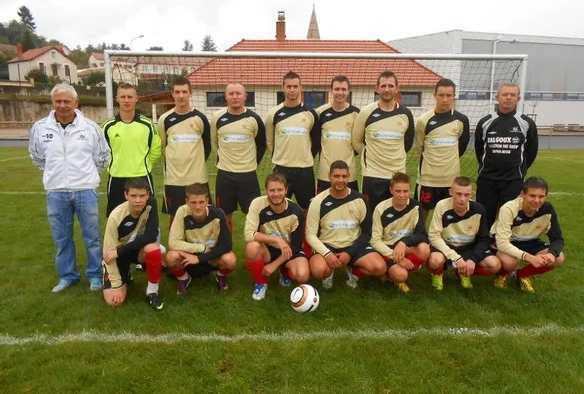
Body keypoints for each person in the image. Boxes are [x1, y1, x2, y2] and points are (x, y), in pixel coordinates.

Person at [29, 83, 111, 293]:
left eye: (67, 101)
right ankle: (68, 276)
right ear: (53, 103)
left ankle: (94, 276)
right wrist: (54, 174)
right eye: (59, 101)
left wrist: (87, 176)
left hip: (86, 190)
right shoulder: (40, 128)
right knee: (62, 238)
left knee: (92, 237)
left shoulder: (91, 128)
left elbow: (103, 157)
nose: (63, 105)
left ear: (76, 102)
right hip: (56, 192)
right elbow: (37, 156)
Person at [306, 160, 386, 289]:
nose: (340, 180)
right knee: (318, 270)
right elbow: (310, 235)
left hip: (353, 246)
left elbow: (367, 233)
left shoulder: (359, 200)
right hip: (328, 246)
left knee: (379, 268)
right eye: (336, 176)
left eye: (344, 176)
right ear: (329, 177)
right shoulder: (317, 201)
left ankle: (352, 270)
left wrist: (349, 253)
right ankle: (328, 274)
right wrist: (327, 254)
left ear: (349, 177)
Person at [475, 82, 538, 228]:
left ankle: (504, 247)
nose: (508, 98)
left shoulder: (526, 123)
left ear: (518, 98)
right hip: (487, 180)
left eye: (512, 95)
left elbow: (531, 151)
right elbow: (480, 149)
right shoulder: (485, 122)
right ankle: (484, 247)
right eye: (505, 94)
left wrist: (520, 171)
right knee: (484, 218)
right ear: (497, 97)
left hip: (513, 181)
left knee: (508, 220)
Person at [352, 70, 415, 213]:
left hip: (397, 175)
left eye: (391, 86)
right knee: (371, 215)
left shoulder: (405, 113)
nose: (387, 89)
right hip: (372, 175)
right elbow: (356, 141)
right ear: (377, 88)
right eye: (384, 86)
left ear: (397, 88)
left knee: (396, 215)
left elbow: (408, 143)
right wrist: (371, 154)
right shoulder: (367, 112)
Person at [243, 172, 310, 301]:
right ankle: (261, 283)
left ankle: (284, 271)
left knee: (303, 276)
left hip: (289, 249)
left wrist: (274, 265)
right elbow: (248, 234)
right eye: (272, 190)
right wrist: (276, 239)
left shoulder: (296, 211)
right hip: (268, 248)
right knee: (252, 247)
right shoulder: (257, 204)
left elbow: (296, 246)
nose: (276, 194)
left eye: (280, 190)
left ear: (286, 190)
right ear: (266, 191)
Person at [492, 177, 564, 293]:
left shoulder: (548, 209)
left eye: (541, 196)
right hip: (509, 241)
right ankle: (501, 275)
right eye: (532, 195)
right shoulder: (509, 208)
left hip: (531, 241)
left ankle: (522, 275)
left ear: (546, 196)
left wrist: (551, 254)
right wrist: (529, 257)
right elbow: (502, 243)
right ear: (522, 194)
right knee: (510, 261)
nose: (537, 200)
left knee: (558, 257)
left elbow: (557, 239)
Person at [427, 177, 501, 290]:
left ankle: (463, 272)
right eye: (458, 194)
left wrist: (473, 260)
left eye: (466, 195)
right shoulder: (442, 205)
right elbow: (433, 236)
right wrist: (457, 258)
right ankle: (438, 272)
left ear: (472, 194)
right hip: (447, 246)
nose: (462, 199)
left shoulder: (478, 209)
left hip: (469, 247)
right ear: (450, 192)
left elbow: (484, 238)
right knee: (434, 261)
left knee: (494, 265)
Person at [210, 82, 266, 232]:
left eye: (238, 93)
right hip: (224, 175)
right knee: (223, 214)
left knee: (254, 215)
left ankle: (256, 251)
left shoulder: (254, 118)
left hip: (248, 175)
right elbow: (215, 143)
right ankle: (225, 248)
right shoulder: (217, 117)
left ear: (245, 96)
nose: (235, 97)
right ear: (226, 96)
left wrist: (252, 163)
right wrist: (224, 160)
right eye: (231, 94)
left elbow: (262, 145)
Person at [101, 178, 164, 310]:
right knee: (114, 302)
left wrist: (120, 251)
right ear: (126, 195)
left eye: (142, 196)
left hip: (128, 251)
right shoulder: (115, 217)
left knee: (153, 249)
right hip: (117, 257)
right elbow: (109, 253)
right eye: (133, 196)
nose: (138, 200)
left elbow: (152, 234)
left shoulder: (151, 204)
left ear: (148, 195)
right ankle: (124, 276)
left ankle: (152, 291)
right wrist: (117, 285)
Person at [101, 83, 161, 217]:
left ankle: (148, 239)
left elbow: (155, 149)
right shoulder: (108, 126)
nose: (126, 100)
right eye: (123, 97)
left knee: (147, 217)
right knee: (116, 218)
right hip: (116, 178)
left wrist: (143, 164)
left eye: (130, 97)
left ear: (136, 98)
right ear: (117, 98)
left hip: (141, 176)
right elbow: (101, 151)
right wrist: (114, 164)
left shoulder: (147, 124)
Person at [158, 77, 211, 227]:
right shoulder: (164, 119)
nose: (181, 95)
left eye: (184, 92)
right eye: (177, 92)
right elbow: (163, 145)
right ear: (172, 94)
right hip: (174, 179)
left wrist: (196, 164)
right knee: (175, 219)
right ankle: (176, 248)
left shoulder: (200, 118)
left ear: (190, 93)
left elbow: (207, 146)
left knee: (201, 216)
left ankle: (202, 248)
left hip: (197, 178)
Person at [165, 183, 237, 294]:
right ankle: (183, 278)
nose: (198, 206)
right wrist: (201, 248)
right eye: (193, 202)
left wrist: (200, 258)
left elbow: (226, 245)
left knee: (230, 260)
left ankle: (221, 276)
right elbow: (173, 243)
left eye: (201, 202)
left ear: (207, 201)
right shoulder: (182, 212)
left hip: (212, 256)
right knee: (171, 257)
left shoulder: (218, 214)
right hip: (191, 254)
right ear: (187, 201)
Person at [414, 78, 470, 220]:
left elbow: (461, 147)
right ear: (435, 95)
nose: (445, 99)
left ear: (454, 96)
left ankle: (446, 241)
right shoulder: (423, 120)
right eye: (441, 95)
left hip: (450, 179)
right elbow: (419, 147)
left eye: (448, 95)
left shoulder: (462, 120)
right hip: (428, 179)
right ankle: (421, 239)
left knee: (450, 214)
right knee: (422, 213)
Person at [370, 172, 430, 293]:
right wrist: (395, 256)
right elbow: (374, 241)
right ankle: (390, 271)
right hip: (387, 249)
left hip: (404, 247)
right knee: (401, 276)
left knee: (424, 249)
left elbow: (422, 234)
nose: (402, 195)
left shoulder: (416, 206)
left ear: (410, 190)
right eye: (398, 191)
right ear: (391, 190)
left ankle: (395, 268)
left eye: (405, 191)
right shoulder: (380, 209)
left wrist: (403, 243)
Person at [315, 75, 360, 193]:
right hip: (325, 174)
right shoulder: (320, 113)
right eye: (337, 89)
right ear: (331, 90)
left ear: (348, 91)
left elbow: (359, 141)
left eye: (343, 89)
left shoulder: (356, 114)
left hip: (348, 173)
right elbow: (314, 141)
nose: (340, 92)